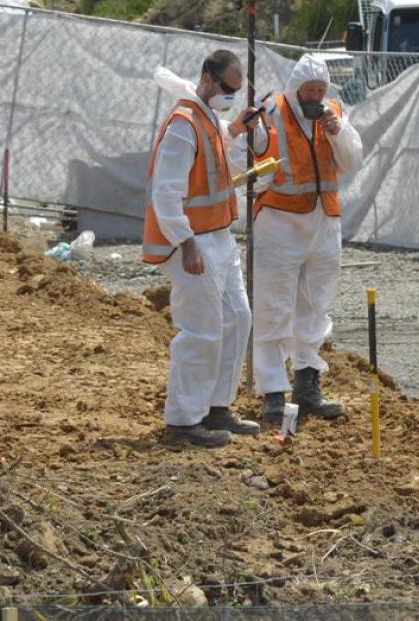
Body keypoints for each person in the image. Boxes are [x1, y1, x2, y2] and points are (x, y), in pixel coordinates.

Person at [142, 50, 264, 447]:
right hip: (191, 242)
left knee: (237, 318)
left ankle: (216, 407)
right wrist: (186, 243)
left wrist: (234, 131)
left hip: (217, 236)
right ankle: (182, 422)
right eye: (227, 88)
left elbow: (211, 159)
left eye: (236, 89)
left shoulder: (207, 117)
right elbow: (166, 193)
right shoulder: (182, 124)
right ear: (208, 79)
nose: (230, 95)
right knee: (202, 330)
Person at [250, 54, 363, 422]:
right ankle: (272, 391)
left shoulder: (333, 111)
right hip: (280, 223)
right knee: (273, 307)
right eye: (309, 90)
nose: (315, 96)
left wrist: (338, 130)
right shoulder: (271, 112)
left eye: (320, 89)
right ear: (295, 89)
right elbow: (251, 161)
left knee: (315, 306)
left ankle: (307, 383)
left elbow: (351, 162)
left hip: (323, 221)